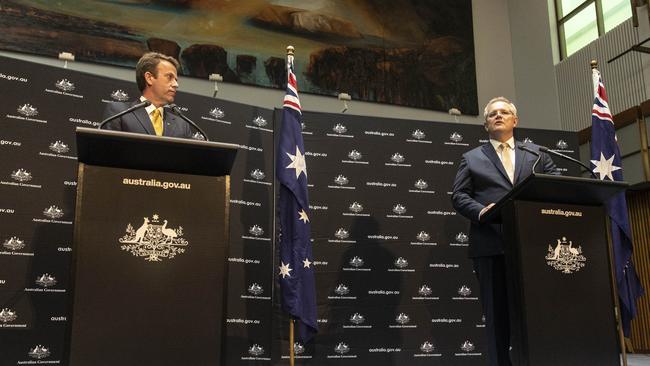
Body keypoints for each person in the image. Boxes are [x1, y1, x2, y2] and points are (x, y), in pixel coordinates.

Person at [451, 97, 557, 366]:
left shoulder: (537, 154)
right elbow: (459, 196)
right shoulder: (472, 158)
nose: (498, 116)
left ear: (515, 120)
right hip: (491, 247)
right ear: (486, 124)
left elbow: (556, 185)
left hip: (533, 249)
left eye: (504, 112)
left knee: (536, 315)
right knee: (498, 319)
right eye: (492, 114)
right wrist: (481, 212)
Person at [102, 52, 193, 138]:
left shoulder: (182, 125)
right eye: (169, 77)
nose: (176, 85)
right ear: (149, 78)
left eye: (176, 80)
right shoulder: (119, 113)